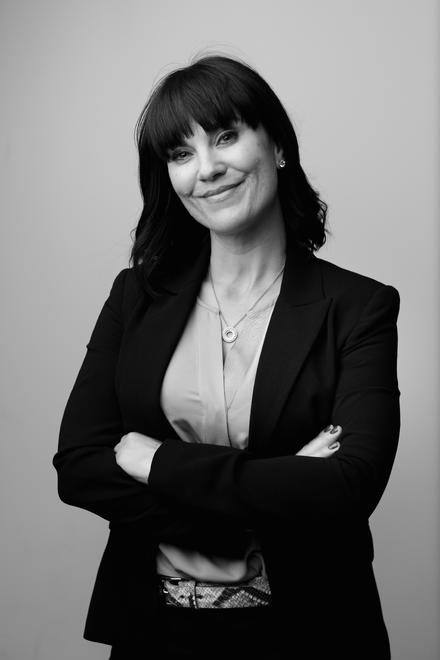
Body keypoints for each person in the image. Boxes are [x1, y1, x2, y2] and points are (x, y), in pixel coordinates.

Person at [53, 55, 400, 659]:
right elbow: (80, 467)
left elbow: (349, 485)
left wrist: (160, 462)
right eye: (180, 154)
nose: (207, 169)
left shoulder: (358, 307)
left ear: (278, 147)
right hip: (155, 636)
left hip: (312, 634)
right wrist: (268, 495)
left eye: (225, 137)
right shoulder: (135, 297)